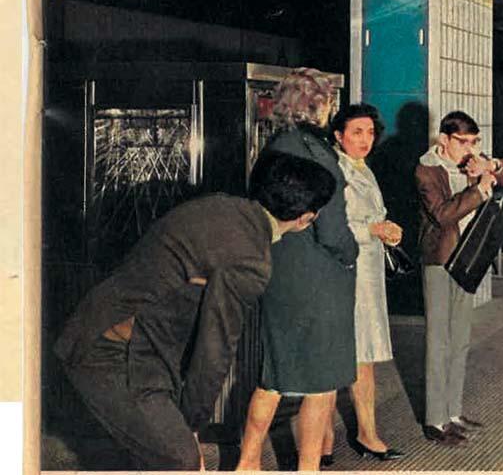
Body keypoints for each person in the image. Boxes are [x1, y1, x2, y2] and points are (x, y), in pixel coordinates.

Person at [54, 152, 335, 471]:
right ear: (306, 218)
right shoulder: (252, 262)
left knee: (167, 454)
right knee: (182, 460)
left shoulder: (218, 204)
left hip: (117, 332)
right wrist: (192, 424)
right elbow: (214, 353)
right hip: (109, 354)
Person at [238, 68, 360, 472]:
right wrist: (351, 253)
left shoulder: (274, 147)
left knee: (273, 375)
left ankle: (247, 461)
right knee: (321, 382)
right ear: (318, 104)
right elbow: (333, 230)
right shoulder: (317, 152)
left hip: (278, 270)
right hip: (319, 278)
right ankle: (308, 468)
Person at [415, 111, 503, 446]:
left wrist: (491, 166)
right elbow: (443, 214)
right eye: (463, 142)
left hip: (468, 259)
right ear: (444, 140)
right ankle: (435, 419)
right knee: (439, 341)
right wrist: (480, 190)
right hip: (440, 260)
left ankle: (453, 412)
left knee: (459, 339)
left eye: (475, 142)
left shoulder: (473, 162)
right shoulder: (426, 169)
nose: (470, 149)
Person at [328, 104, 405, 462]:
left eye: (370, 133)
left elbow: (375, 214)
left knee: (364, 355)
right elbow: (333, 225)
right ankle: (330, 437)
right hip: (344, 271)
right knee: (343, 354)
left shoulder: (364, 168)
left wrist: (388, 229)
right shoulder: (335, 169)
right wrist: (373, 229)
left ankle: (365, 433)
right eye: (357, 132)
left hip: (368, 270)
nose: (365, 140)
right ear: (338, 135)